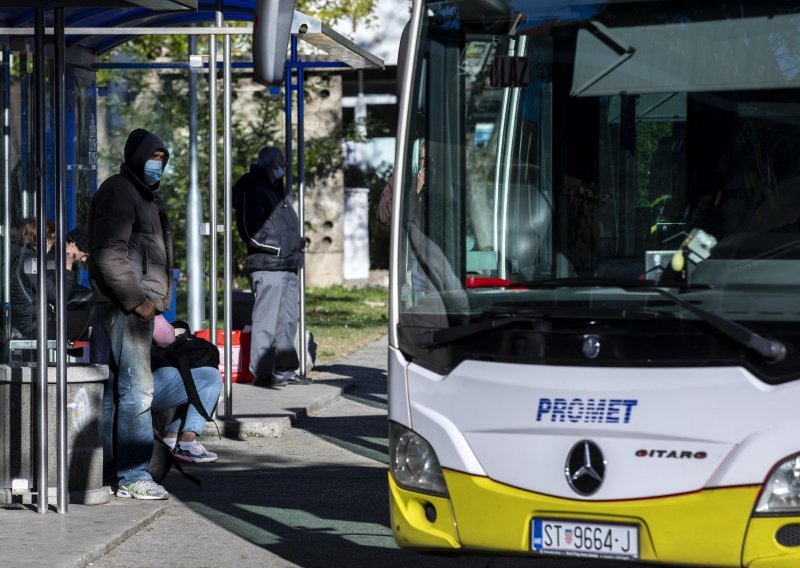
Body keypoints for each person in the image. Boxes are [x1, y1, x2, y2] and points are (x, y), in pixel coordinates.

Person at [87, 128, 174, 500]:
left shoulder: (143, 196)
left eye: (162, 159)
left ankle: (110, 470)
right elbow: (110, 254)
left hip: (131, 306)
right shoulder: (120, 192)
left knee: (116, 395)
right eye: (153, 157)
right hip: (126, 308)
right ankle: (133, 475)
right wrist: (139, 302)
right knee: (137, 391)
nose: (158, 165)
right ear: (136, 157)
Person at [233, 145, 309, 387]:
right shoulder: (251, 187)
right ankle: (263, 373)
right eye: (281, 161)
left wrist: (294, 246)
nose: (284, 165)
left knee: (288, 320)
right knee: (266, 321)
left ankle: (285, 369)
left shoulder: (277, 189)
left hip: (288, 264)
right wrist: (281, 247)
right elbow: (249, 231)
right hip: (268, 265)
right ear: (269, 163)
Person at [150, 315, 220, 463]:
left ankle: (170, 440)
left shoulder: (104, 304)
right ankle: (187, 444)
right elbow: (165, 338)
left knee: (186, 373)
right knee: (211, 377)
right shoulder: (141, 300)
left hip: (114, 383)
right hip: (138, 386)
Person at [10, 218, 91, 341]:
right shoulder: (28, 263)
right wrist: (67, 265)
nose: (52, 243)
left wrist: (73, 260)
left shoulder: (29, 258)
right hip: (37, 326)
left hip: (43, 320)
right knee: (98, 316)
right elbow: (58, 296)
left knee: (94, 311)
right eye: (51, 239)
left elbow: (60, 275)